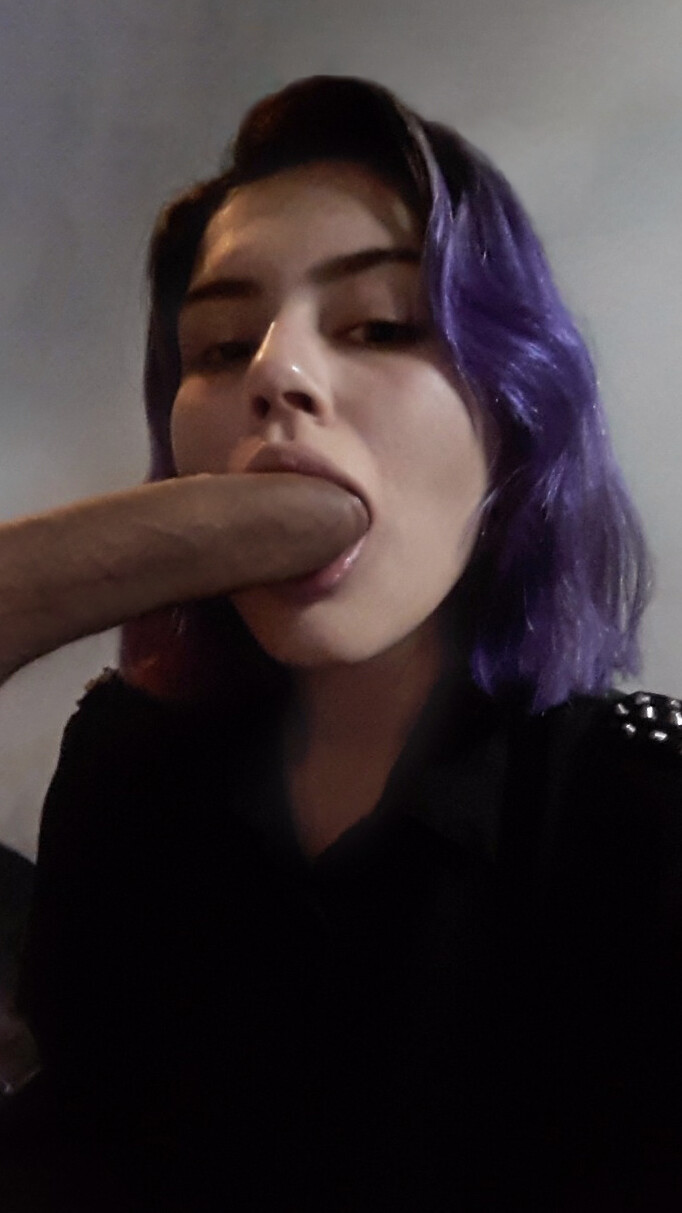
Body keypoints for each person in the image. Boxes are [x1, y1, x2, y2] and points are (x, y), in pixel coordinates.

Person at [0, 74, 680, 1211]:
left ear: (513, 420)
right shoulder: (123, 758)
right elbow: (75, 1137)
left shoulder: (641, 816)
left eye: (381, 326)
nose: (274, 375)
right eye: (221, 346)